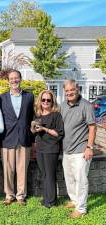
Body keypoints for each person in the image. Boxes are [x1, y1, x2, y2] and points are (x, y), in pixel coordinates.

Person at [0, 69, 34, 206]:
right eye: (11, 78)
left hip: (24, 138)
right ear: (8, 81)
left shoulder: (29, 96)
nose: (14, 80)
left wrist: (32, 137)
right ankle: (9, 194)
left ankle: (20, 196)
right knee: (8, 169)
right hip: (7, 138)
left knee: (22, 169)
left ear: (20, 79)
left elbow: (31, 117)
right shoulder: (1, 98)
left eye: (16, 78)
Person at [61, 79, 96, 219]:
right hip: (66, 150)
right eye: (67, 91)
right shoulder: (63, 105)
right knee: (69, 178)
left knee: (81, 179)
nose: (69, 93)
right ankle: (75, 201)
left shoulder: (86, 105)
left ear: (78, 90)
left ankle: (81, 208)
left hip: (81, 150)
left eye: (72, 90)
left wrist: (89, 147)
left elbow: (92, 127)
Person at [31, 90, 64, 208]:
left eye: (48, 100)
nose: (45, 102)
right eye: (43, 100)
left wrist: (45, 129)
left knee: (50, 174)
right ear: (40, 101)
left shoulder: (56, 115)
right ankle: (47, 198)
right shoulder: (38, 116)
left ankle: (51, 201)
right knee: (44, 174)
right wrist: (34, 130)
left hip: (51, 149)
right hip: (40, 148)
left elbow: (59, 134)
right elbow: (34, 133)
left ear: (52, 102)